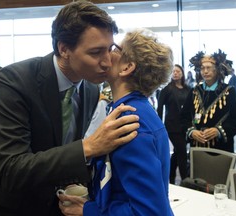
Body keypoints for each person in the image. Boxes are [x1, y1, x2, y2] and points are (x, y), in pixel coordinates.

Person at [0, 1, 140, 216]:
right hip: (11, 206)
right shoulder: (14, 81)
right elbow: (10, 169)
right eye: (96, 52)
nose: (107, 62)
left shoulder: (90, 88)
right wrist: (88, 148)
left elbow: (62, 149)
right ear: (64, 49)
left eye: (110, 49)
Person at [58, 28, 174, 216]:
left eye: (113, 49)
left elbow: (148, 212)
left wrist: (89, 211)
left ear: (127, 67)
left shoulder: (131, 122)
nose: (105, 55)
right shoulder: (130, 110)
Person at [180, 49, 236, 153]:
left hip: (221, 149)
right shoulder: (194, 91)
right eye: (202, 68)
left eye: (209, 68)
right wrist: (191, 132)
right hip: (197, 149)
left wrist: (219, 131)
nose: (205, 71)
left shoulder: (229, 91)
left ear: (217, 70)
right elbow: (183, 118)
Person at [157, 64, 191, 183]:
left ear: (182, 73)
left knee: (177, 152)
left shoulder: (188, 89)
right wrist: (159, 126)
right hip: (172, 126)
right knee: (182, 151)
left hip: (185, 126)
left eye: (178, 71)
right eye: (173, 71)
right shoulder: (167, 89)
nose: (175, 73)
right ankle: (185, 180)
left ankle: (170, 178)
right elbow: (160, 108)